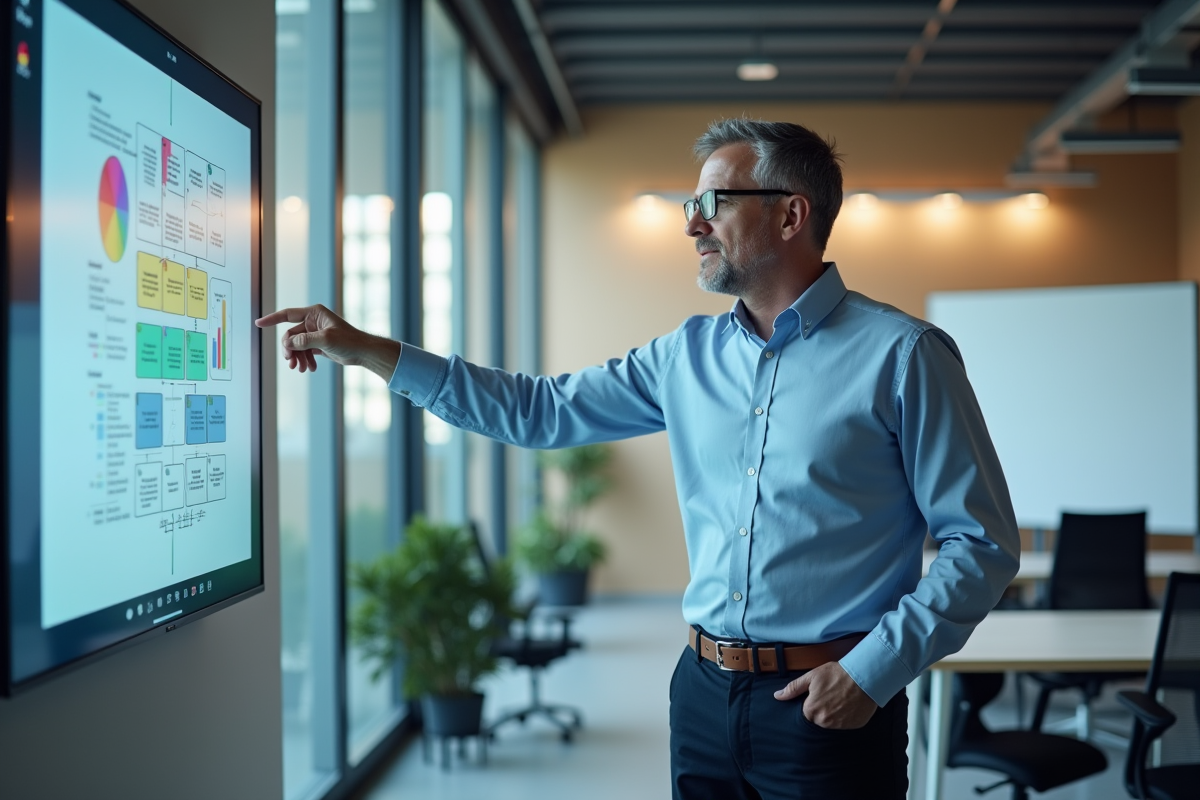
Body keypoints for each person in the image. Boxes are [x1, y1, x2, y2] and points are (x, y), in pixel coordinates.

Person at [257, 119, 1020, 799]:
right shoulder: (683, 357)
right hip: (700, 695)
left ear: (793, 213)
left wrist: (872, 672)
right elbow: (537, 410)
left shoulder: (903, 355)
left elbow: (980, 543)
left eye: (715, 202)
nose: (693, 223)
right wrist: (368, 351)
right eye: (692, 205)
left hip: (833, 699)